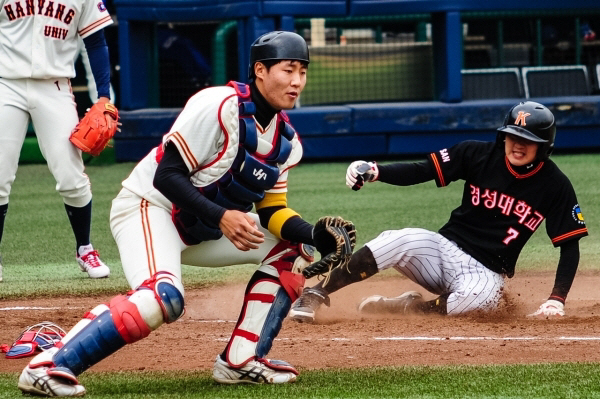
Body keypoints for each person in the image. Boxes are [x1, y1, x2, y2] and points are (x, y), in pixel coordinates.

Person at [17, 30, 341, 396]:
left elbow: (272, 212)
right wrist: (222, 216)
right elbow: (166, 175)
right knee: (163, 298)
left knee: (292, 249)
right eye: (288, 69)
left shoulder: (287, 143)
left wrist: (314, 234)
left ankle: (240, 361)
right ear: (260, 71)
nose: (297, 81)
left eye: (303, 71)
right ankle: (48, 366)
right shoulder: (219, 105)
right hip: (148, 207)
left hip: (200, 227)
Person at [289, 101, 588, 323]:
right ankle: (317, 293)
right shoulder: (476, 153)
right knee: (400, 239)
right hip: (443, 251)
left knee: (480, 301)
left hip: (485, 273)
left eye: (528, 141)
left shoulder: (555, 184)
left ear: (543, 146)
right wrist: (377, 171)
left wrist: (556, 300)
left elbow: (569, 247)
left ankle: (408, 308)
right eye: (513, 136)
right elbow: (422, 170)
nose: (517, 145)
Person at [0, 0, 117, 282]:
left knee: (70, 174)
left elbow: (96, 42)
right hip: (6, 84)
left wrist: (104, 97)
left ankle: (85, 248)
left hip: (55, 86)